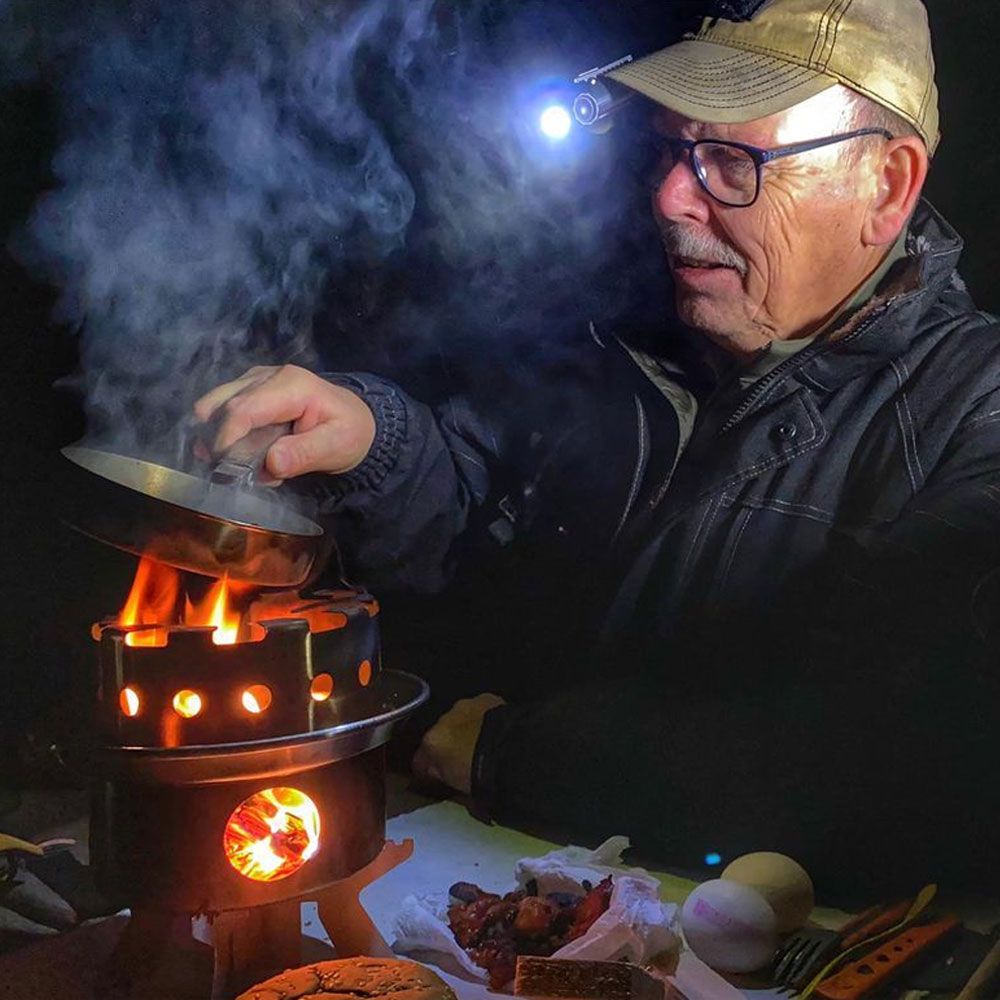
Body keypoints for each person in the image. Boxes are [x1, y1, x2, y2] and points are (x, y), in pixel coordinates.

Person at [196, 0, 1000, 892]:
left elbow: (885, 765)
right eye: (669, 150)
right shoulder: (635, 331)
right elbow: (476, 501)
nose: (670, 196)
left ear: (885, 186)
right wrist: (374, 444)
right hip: (514, 892)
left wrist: (515, 757)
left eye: (732, 161)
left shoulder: (975, 414)